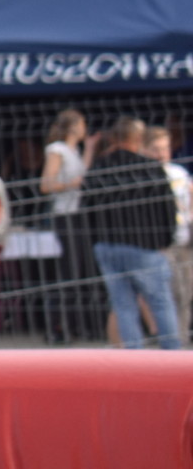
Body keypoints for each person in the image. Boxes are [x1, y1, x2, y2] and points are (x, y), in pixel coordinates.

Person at [85, 117, 181, 350]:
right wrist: (166, 240)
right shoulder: (149, 167)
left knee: (123, 305)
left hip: (108, 245)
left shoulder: (99, 167)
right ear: (138, 138)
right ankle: (172, 353)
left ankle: (133, 356)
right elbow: (167, 207)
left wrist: (96, 242)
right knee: (160, 302)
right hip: (145, 245)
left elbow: (87, 208)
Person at [38, 109, 98, 344]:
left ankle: (77, 324)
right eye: (82, 124)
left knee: (80, 270)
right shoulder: (57, 150)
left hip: (77, 213)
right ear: (73, 126)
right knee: (69, 272)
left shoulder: (75, 151)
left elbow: (82, 174)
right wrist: (70, 185)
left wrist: (90, 148)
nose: (85, 128)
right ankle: (58, 325)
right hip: (64, 214)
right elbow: (46, 184)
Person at [147, 125, 192, 349]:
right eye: (156, 149)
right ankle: (170, 342)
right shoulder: (145, 175)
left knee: (186, 293)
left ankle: (180, 340)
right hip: (160, 243)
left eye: (165, 148)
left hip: (184, 240)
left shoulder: (179, 172)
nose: (162, 154)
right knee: (168, 294)